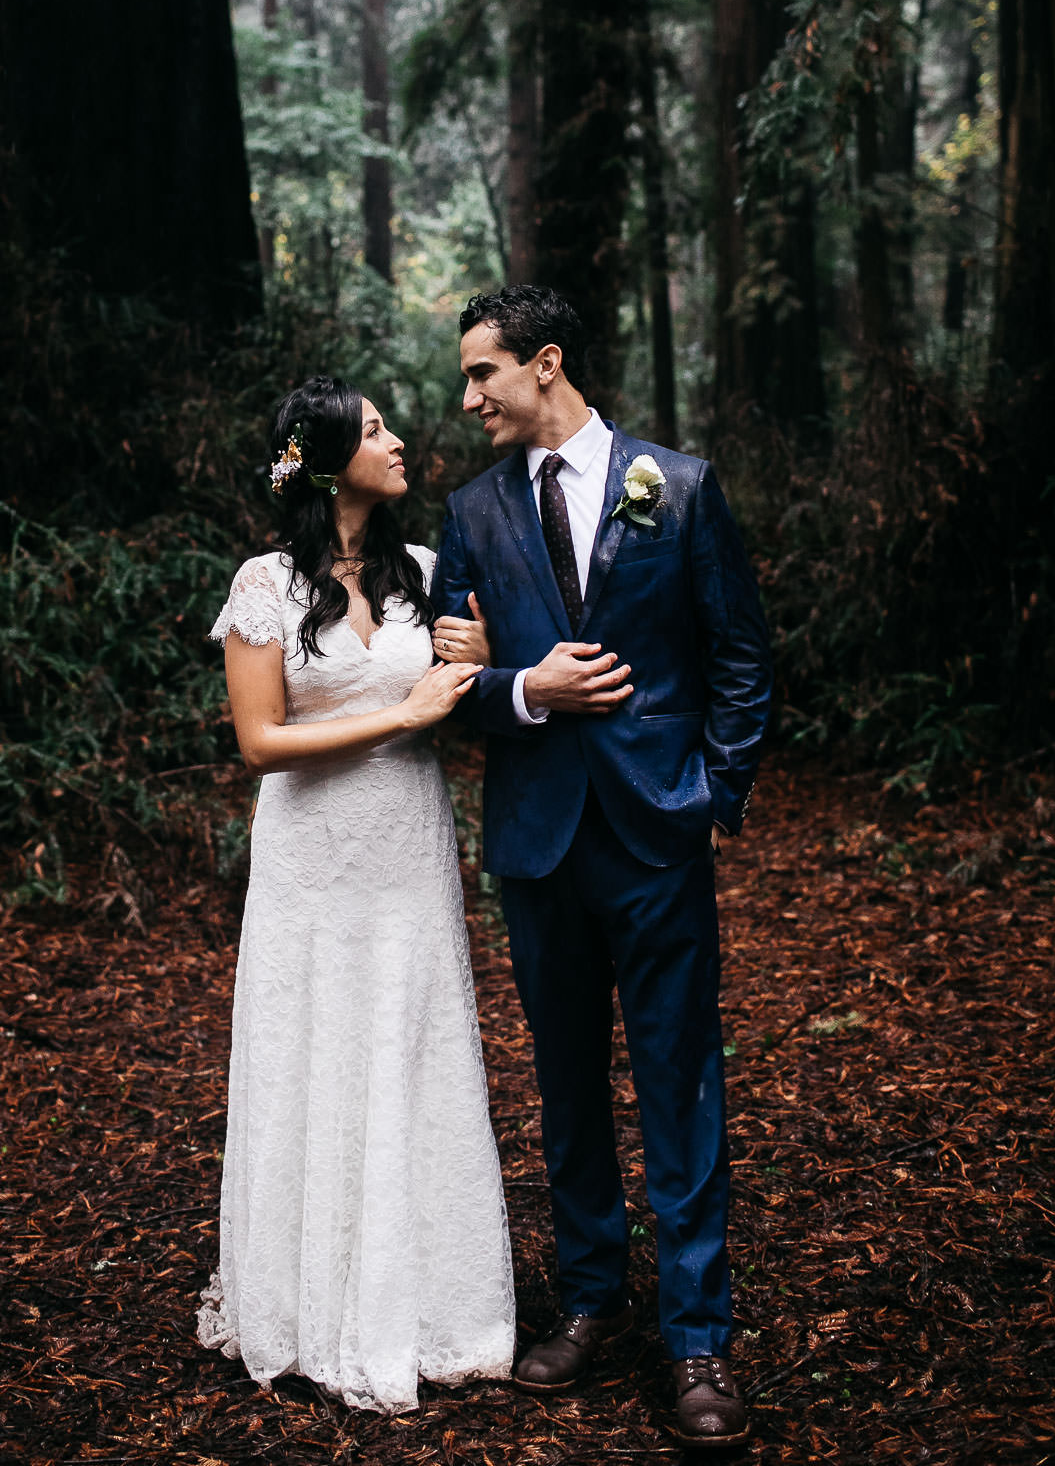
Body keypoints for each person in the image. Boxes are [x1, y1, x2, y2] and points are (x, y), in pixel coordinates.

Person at [430, 286, 773, 1449]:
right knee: (568, 1089)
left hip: (656, 836)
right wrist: (526, 689)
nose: (468, 395)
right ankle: (590, 1301)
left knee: (680, 1085)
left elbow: (739, 655)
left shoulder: (677, 487)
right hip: (537, 845)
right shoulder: (470, 514)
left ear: (546, 364)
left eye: (483, 372)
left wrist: (710, 797)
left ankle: (697, 1339)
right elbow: (444, 681)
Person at [197, 375, 515, 1413]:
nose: (402, 438)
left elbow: (461, 694)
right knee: (316, 1050)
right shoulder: (263, 587)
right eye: (377, 429)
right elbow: (260, 742)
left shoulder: (424, 571)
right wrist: (401, 715)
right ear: (330, 461)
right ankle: (304, 1301)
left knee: (411, 1049)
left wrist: (476, 663)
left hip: (408, 857)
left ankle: (431, 1306)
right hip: (313, 864)